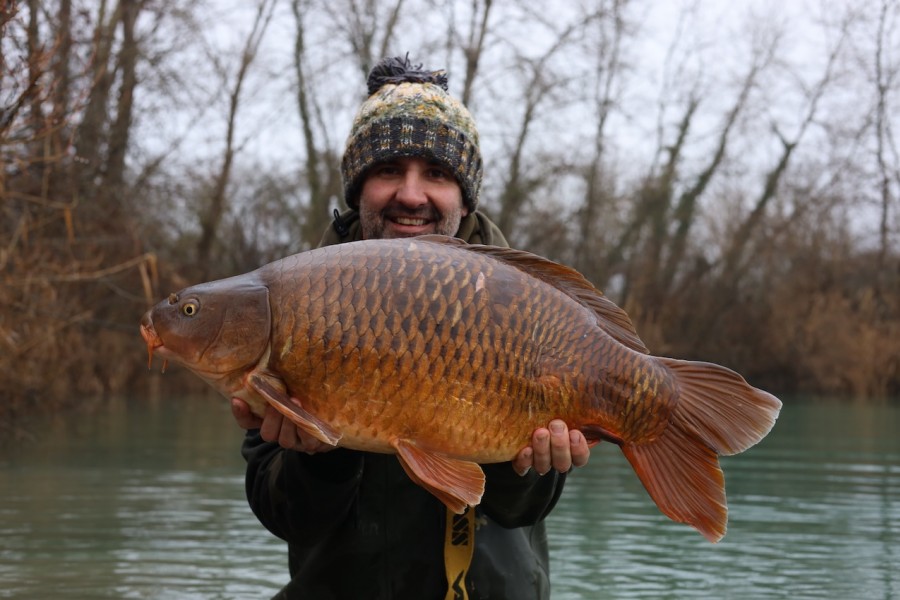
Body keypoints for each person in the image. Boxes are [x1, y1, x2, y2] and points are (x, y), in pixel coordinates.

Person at [231, 55, 591, 600]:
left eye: (437, 174)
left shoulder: (525, 307)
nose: (412, 194)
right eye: (388, 170)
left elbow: (521, 512)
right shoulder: (289, 305)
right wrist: (320, 456)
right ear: (358, 187)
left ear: (464, 195)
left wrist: (532, 466)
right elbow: (286, 517)